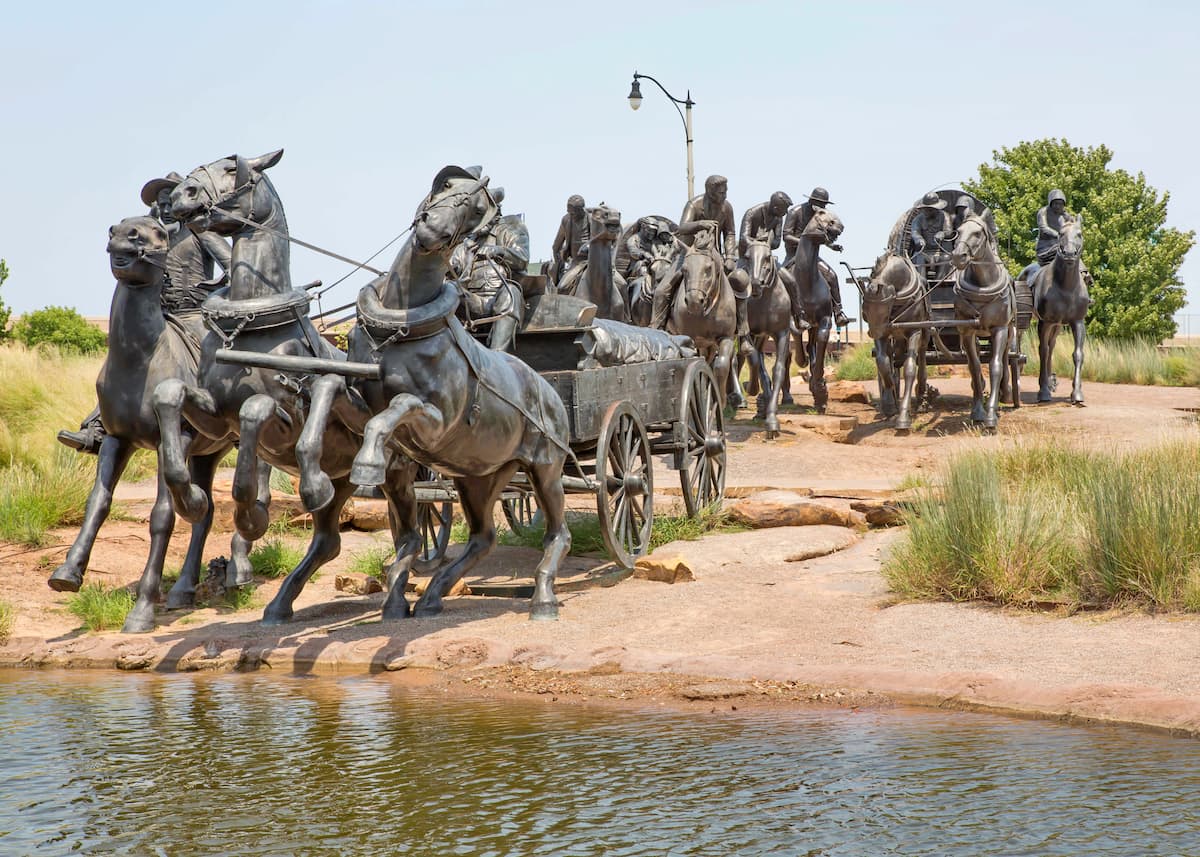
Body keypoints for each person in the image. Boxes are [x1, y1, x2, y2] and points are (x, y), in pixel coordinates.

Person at [57, 172, 232, 454]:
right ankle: (98, 425)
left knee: (214, 359)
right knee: (124, 359)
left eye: (170, 201)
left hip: (195, 316)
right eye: (160, 203)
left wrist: (216, 292)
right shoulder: (148, 238)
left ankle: (230, 421)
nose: (165, 207)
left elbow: (231, 266)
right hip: (159, 316)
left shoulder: (202, 232)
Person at [651, 174, 739, 331]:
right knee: (661, 290)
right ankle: (657, 328)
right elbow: (682, 227)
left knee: (740, 283)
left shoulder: (727, 208)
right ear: (710, 191)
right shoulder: (694, 204)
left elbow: (730, 233)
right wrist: (700, 224)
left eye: (726, 192)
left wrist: (730, 256)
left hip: (713, 255)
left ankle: (742, 330)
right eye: (721, 192)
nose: (724, 195)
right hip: (688, 254)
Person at [450, 188, 529, 353]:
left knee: (512, 292)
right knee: (448, 290)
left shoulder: (511, 228)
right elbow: (450, 267)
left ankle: (498, 356)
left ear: (495, 212)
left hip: (500, 298)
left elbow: (522, 259)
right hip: (472, 303)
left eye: (481, 215)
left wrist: (499, 251)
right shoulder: (466, 242)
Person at [731, 192, 807, 330]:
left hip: (766, 260)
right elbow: (743, 238)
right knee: (733, 281)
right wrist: (758, 244)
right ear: (777, 207)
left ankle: (799, 316)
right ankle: (732, 318)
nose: (785, 214)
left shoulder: (778, 218)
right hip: (747, 259)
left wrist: (766, 245)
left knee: (790, 281)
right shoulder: (752, 213)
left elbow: (777, 241)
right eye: (784, 210)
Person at [782, 187, 849, 327]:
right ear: (811, 200)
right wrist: (805, 243)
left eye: (824, 204)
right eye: (820, 203)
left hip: (812, 257)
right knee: (781, 280)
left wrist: (831, 246)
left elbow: (823, 236)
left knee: (832, 276)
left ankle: (838, 312)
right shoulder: (795, 212)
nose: (822, 207)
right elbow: (786, 236)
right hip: (793, 257)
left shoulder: (821, 216)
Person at [909, 191, 951, 283]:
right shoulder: (918, 219)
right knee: (919, 258)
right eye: (925, 209)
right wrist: (919, 239)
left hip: (939, 252)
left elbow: (949, 231)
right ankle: (921, 283)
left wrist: (942, 233)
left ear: (935, 209)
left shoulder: (944, 216)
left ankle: (940, 283)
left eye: (929, 209)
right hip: (924, 252)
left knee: (947, 258)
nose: (926, 211)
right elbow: (915, 231)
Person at [550, 194, 588, 285]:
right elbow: (556, 247)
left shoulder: (591, 218)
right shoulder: (566, 220)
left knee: (622, 284)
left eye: (573, 213)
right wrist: (559, 264)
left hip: (594, 261)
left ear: (581, 210)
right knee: (562, 287)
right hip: (576, 263)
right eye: (569, 212)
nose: (570, 215)